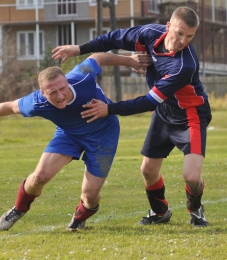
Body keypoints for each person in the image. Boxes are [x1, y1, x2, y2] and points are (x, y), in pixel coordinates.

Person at [52, 6, 212, 227]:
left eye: (190, 36)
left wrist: (109, 109)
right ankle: (160, 213)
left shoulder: (184, 65)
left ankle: (195, 209)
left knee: (192, 177)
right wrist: (79, 49)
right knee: (147, 170)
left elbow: (148, 102)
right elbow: (113, 39)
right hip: (164, 112)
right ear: (168, 27)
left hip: (190, 115)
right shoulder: (149, 35)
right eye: (179, 33)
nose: (183, 40)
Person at [0, 52, 152, 231]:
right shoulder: (36, 103)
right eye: (52, 92)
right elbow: (9, 106)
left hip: (103, 134)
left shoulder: (82, 77)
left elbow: (98, 57)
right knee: (40, 176)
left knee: (90, 195)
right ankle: (18, 209)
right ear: (43, 93)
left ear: (67, 82)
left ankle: (79, 218)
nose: (60, 96)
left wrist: (129, 61)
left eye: (62, 88)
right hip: (69, 134)